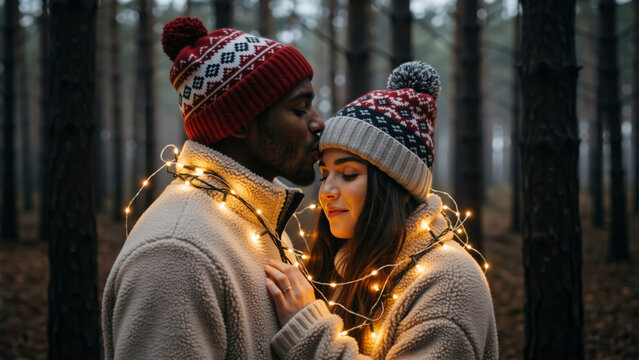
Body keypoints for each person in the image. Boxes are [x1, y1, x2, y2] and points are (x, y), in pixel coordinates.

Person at [101, 17, 324, 359]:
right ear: (239, 123)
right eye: (299, 108)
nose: (318, 121)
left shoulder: (251, 220)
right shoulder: (177, 254)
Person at [264, 61, 498, 359]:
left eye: (348, 175)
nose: (326, 192)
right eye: (325, 175)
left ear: (396, 186)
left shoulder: (449, 281)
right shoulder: (343, 265)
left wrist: (309, 332)